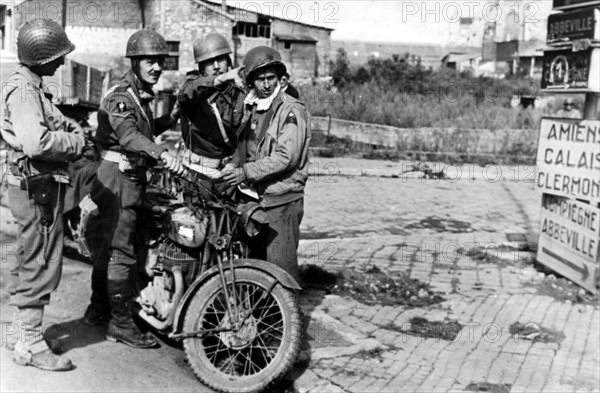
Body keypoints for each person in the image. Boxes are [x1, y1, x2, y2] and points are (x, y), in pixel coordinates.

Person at [87, 29, 182, 348]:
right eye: (150, 61)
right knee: (122, 251)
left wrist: (171, 119)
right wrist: (162, 152)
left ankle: (98, 309)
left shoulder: (138, 95)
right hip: (118, 179)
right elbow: (128, 136)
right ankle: (121, 323)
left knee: (109, 246)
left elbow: (144, 130)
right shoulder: (121, 96)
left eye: (160, 62)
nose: (156, 67)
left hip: (122, 178)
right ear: (135, 62)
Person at [1, 19, 84, 371]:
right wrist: (75, 142)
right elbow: (36, 143)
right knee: (40, 263)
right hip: (37, 190)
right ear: (41, 58)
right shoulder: (23, 90)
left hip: (34, 187)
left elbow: (46, 124)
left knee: (27, 260)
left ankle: (20, 332)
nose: (62, 62)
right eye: (58, 56)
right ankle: (31, 344)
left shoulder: (30, 87)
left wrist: (65, 124)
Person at [222, 46, 311, 282]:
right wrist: (233, 165)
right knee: (256, 267)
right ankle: (263, 317)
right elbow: (246, 146)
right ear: (251, 81)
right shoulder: (251, 107)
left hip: (281, 200)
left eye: (271, 77)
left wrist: (245, 173)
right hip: (255, 198)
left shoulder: (290, 110)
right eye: (260, 79)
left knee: (281, 271)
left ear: (279, 78)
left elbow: (286, 156)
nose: (266, 84)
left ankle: (289, 319)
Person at [177, 32, 246, 172]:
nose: (216, 66)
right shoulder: (194, 88)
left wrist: (234, 163)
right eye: (209, 62)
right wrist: (219, 80)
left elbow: (244, 139)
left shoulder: (238, 93)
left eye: (220, 59)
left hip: (229, 170)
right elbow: (186, 94)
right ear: (201, 68)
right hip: (198, 170)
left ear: (229, 62)